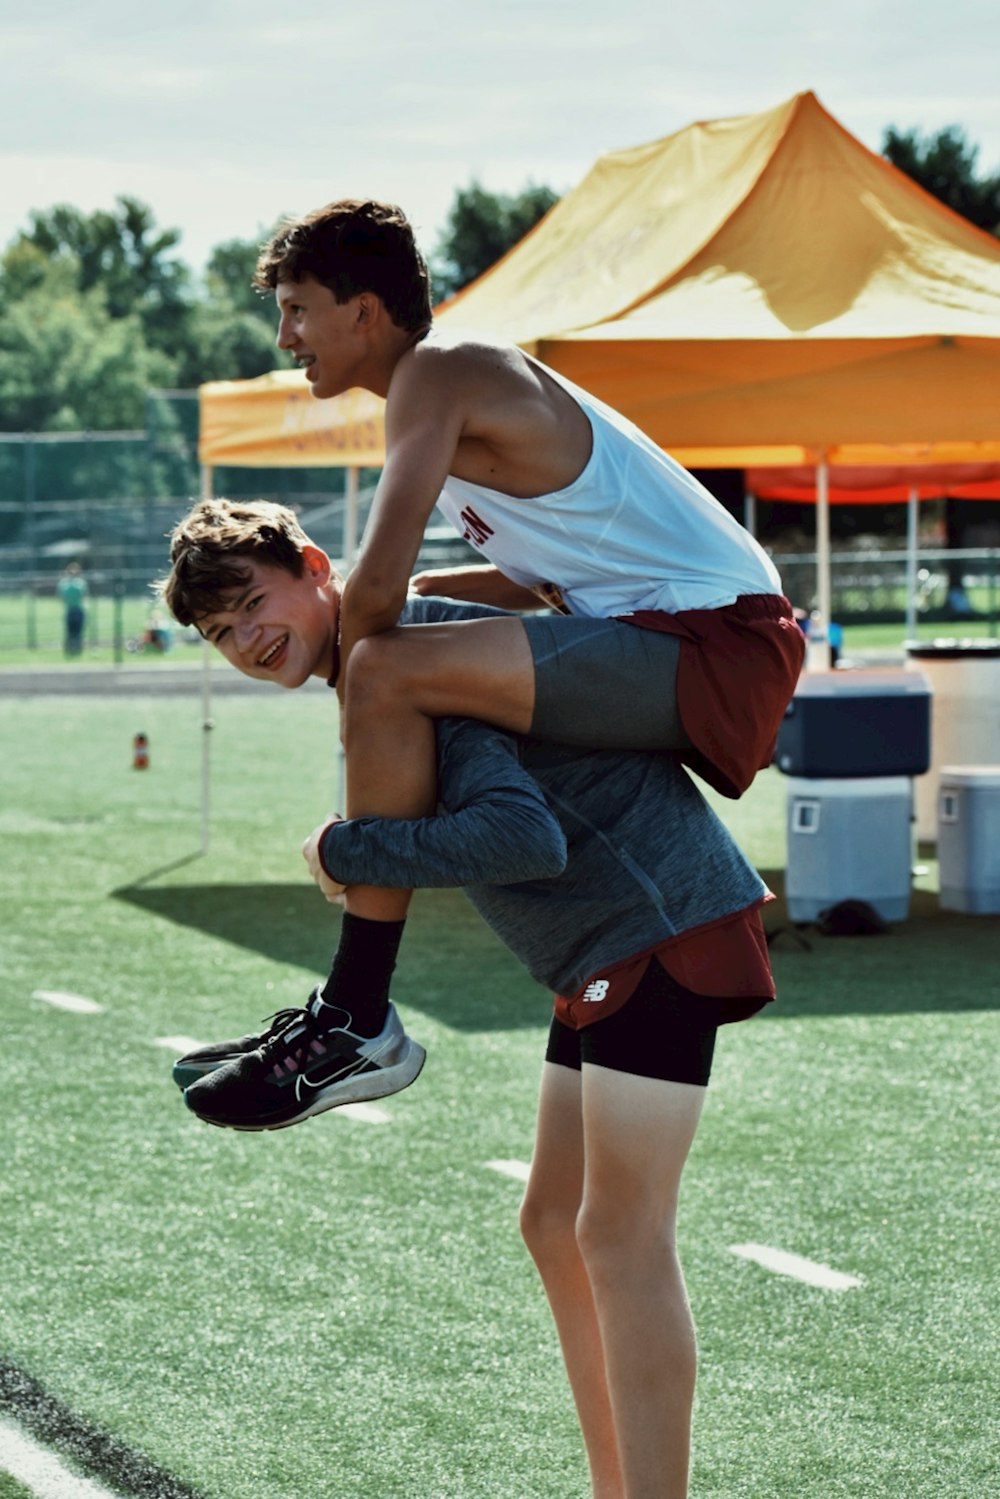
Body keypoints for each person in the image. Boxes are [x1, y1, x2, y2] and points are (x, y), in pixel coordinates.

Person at [163, 498, 775, 1498]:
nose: (247, 639)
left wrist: (342, 846)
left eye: (252, 605)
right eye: (222, 632)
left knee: (622, 1234)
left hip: (659, 931)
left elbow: (519, 836)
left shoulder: (408, 655)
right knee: (553, 1222)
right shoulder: (390, 651)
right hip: (602, 950)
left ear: (316, 565)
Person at [246, 197, 802, 1048]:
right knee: (401, 640)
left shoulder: (437, 372)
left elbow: (378, 594)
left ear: (363, 309)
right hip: (697, 634)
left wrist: (363, 709)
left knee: (384, 667)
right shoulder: (445, 386)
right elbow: (543, 565)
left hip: (721, 641)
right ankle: (359, 1004)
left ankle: (357, 1008)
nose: (285, 338)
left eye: (295, 309)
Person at [56, 561, 88, 657]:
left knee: (71, 631)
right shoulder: (80, 583)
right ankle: (76, 649)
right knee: (77, 631)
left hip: (70, 609)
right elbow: (84, 595)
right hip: (77, 609)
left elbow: (61, 596)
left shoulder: (64, 583)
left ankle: (71, 649)